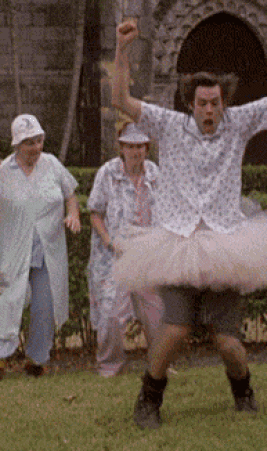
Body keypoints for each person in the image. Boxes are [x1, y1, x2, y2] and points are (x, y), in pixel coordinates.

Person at [111, 19, 267, 429]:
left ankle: (243, 391)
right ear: (190, 103)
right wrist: (123, 49)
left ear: (224, 103)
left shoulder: (239, 123)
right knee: (175, 331)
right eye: (202, 103)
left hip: (225, 243)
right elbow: (120, 98)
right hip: (177, 244)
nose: (209, 110)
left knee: (228, 343)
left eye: (215, 103)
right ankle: (148, 400)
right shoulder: (168, 125)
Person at [0, 114, 81, 383]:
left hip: (47, 251)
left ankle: (37, 362)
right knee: (7, 300)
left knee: (45, 306)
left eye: (38, 140)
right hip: (14, 252)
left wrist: (73, 214)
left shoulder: (52, 164)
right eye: (29, 143)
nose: (36, 147)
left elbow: (70, 193)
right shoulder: (2, 171)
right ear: (16, 145)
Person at [87, 120, 164, 377]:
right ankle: (110, 366)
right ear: (121, 147)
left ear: (147, 148)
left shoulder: (155, 174)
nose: (135, 151)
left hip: (148, 256)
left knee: (156, 315)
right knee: (110, 314)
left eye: (140, 146)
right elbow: (95, 213)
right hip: (114, 256)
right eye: (130, 146)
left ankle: (160, 365)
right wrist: (110, 242)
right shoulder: (107, 173)